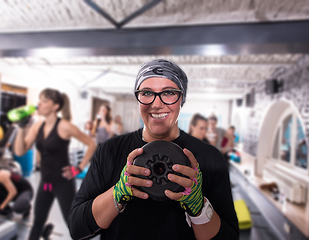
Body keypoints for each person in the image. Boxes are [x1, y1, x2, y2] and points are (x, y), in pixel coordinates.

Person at [68, 59, 239, 239]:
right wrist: (117, 193)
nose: (156, 104)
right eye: (147, 93)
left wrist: (200, 208)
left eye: (169, 92)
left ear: (182, 99)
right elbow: (77, 228)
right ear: (138, 98)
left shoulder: (210, 158)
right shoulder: (111, 150)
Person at [13, 88, 97, 240]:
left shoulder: (64, 126)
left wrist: (78, 168)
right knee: (38, 221)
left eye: (44, 101)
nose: (39, 104)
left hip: (63, 183)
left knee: (72, 223)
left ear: (55, 106)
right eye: (40, 100)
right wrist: (21, 128)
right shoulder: (37, 126)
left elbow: (91, 143)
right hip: (45, 182)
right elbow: (20, 151)